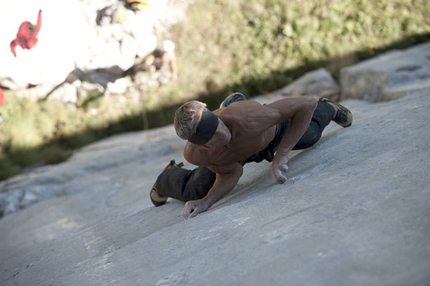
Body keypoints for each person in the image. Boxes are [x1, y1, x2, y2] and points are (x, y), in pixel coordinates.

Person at [150, 92, 352, 219]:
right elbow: (231, 173)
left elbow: (306, 104)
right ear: (201, 144)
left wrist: (282, 153)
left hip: (268, 135)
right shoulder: (195, 153)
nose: (223, 133)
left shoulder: (249, 119)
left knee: (310, 136)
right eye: (213, 137)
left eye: (218, 124)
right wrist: (205, 202)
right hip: (233, 156)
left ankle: (328, 107)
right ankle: (165, 179)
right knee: (196, 189)